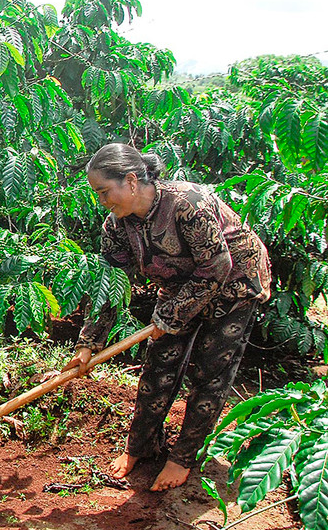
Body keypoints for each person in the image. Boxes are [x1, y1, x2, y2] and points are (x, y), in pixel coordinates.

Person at [63, 143, 271, 491]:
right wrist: (89, 342)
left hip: (235, 284)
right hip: (179, 286)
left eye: (103, 191)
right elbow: (111, 285)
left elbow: (218, 265)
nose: (102, 201)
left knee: (209, 372)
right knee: (158, 366)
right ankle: (141, 447)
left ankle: (182, 458)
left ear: (130, 180)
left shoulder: (187, 204)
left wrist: (171, 316)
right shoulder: (115, 226)